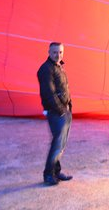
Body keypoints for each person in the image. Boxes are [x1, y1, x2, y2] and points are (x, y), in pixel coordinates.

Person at [37, 42, 73, 186]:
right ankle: (48, 174)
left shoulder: (59, 66)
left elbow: (64, 88)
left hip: (65, 110)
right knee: (57, 144)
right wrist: (61, 111)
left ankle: (56, 172)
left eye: (60, 52)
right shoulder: (46, 69)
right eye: (55, 52)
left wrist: (69, 105)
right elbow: (49, 94)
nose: (58, 55)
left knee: (61, 145)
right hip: (56, 112)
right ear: (48, 52)